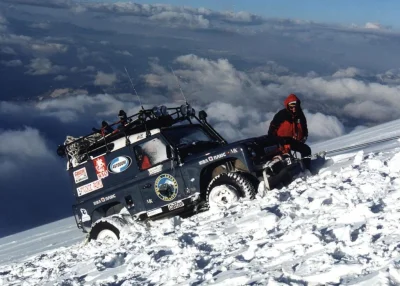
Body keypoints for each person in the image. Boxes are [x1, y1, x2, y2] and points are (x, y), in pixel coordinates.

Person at [268, 93, 312, 170]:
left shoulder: (300, 115)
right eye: (291, 107)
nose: (294, 109)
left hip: (292, 141)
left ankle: (306, 169)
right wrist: (273, 142)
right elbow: (272, 128)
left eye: (295, 106)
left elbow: (304, 128)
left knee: (306, 150)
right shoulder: (281, 115)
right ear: (288, 106)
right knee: (286, 159)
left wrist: (304, 137)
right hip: (280, 142)